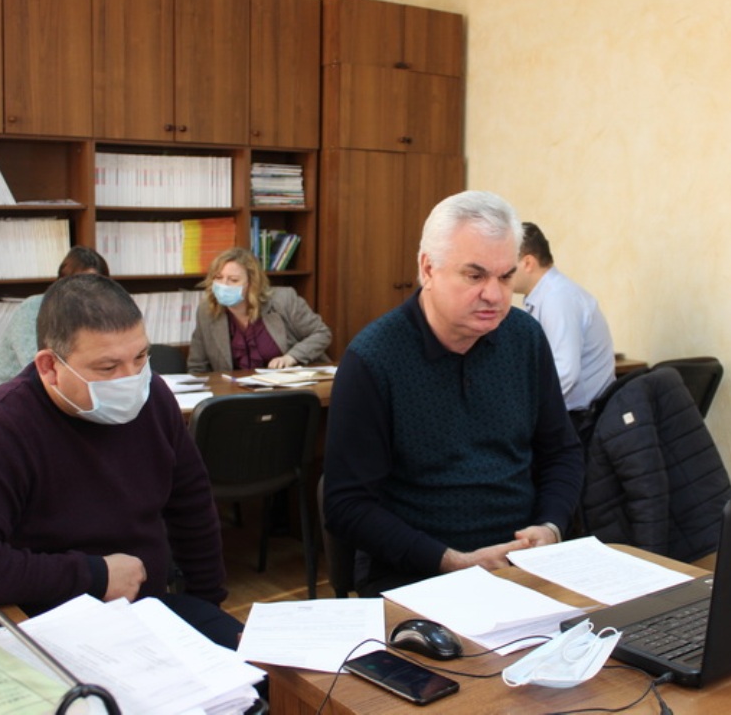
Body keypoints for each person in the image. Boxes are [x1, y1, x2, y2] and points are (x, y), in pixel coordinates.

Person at [0, 273, 242, 648]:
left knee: (255, 671)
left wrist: (205, 606)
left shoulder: (153, 395)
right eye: (107, 368)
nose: (131, 379)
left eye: (140, 357)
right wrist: (94, 575)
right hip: (46, 626)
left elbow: (191, 503)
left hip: (147, 612)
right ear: (49, 367)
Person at [322, 191, 584, 597]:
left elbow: (562, 451)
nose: (494, 295)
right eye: (475, 276)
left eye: (506, 277)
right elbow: (346, 505)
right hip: (418, 573)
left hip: (524, 565)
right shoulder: (374, 358)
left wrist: (550, 526)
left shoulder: (525, 338)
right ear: (428, 269)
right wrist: (451, 561)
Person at [513, 222, 616, 434]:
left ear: (528, 263)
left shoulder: (557, 298)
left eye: (506, 264)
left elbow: (565, 373)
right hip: (575, 417)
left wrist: (522, 412)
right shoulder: (544, 296)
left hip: (582, 422)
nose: (499, 273)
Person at [0, 246, 110, 392]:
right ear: (61, 283)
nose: (88, 292)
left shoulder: (96, 314)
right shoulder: (33, 308)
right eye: (80, 284)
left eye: (96, 285)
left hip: (52, 393)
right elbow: (36, 365)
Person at [187, 247, 331, 373]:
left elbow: (321, 333)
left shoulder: (284, 300)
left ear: (251, 284)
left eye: (233, 280)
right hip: (237, 391)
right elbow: (197, 367)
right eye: (218, 278)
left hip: (292, 386)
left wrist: (291, 357)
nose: (224, 285)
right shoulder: (206, 311)